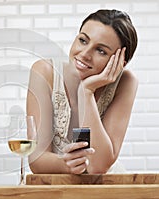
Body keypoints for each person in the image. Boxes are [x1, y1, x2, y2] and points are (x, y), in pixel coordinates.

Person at [27, 9, 138, 174]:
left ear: (121, 62)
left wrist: (86, 91)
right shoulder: (44, 72)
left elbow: (99, 166)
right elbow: (36, 160)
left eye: (101, 51)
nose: (84, 54)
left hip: (105, 187)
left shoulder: (125, 82)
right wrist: (65, 165)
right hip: (56, 185)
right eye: (83, 40)